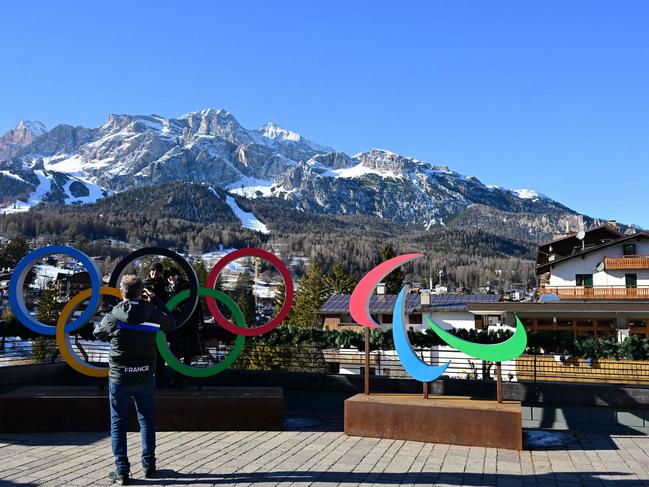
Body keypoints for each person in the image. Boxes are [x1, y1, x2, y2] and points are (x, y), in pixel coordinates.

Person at [94, 274, 175, 485]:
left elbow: (98, 333)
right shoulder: (153, 313)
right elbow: (171, 324)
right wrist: (156, 300)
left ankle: (122, 471)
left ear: (123, 292)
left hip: (120, 377)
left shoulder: (114, 315)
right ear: (141, 293)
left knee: (118, 422)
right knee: (147, 420)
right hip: (145, 374)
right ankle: (149, 465)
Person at [165, 268, 202, 386]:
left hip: (187, 324)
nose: (170, 278)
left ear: (178, 275)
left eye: (173, 275)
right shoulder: (169, 288)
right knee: (176, 352)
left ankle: (182, 378)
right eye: (169, 276)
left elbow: (196, 304)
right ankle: (178, 378)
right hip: (176, 325)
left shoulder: (186, 286)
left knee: (186, 352)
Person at [143, 262, 169, 387]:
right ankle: (146, 377)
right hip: (145, 322)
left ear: (161, 273)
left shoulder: (164, 285)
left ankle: (159, 378)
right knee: (145, 350)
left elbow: (166, 302)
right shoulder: (143, 284)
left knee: (160, 351)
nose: (154, 273)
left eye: (157, 271)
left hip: (159, 322)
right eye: (153, 270)